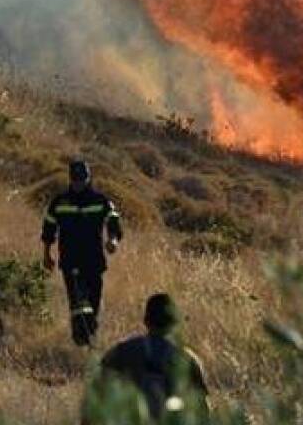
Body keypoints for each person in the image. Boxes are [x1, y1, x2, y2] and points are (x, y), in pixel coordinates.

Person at [42, 159, 123, 346]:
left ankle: (89, 336)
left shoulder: (100, 200)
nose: (79, 183)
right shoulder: (60, 202)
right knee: (78, 302)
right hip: (70, 260)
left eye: (82, 180)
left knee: (93, 302)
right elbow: (48, 229)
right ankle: (81, 339)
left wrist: (113, 240)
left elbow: (113, 221)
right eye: (76, 180)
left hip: (94, 260)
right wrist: (47, 254)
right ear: (70, 179)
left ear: (88, 178)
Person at [96, 293, 209, 422]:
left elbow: (96, 396)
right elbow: (203, 411)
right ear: (174, 323)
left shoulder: (121, 352)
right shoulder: (187, 359)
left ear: (146, 321)